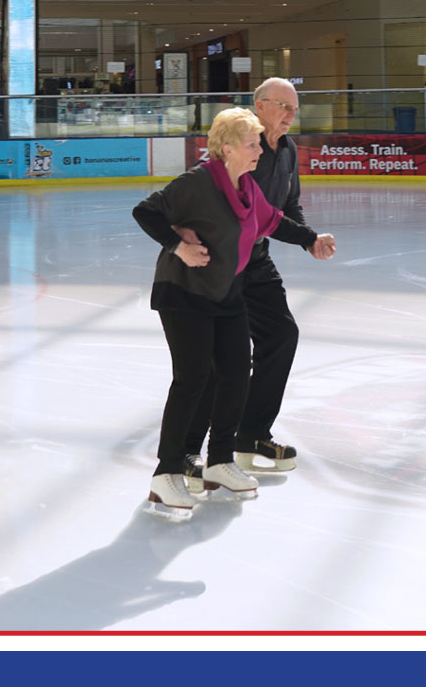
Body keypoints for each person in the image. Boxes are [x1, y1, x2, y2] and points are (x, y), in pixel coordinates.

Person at [132, 107, 329, 521]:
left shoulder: (246, 188)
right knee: (193, 379)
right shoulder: (198, 183)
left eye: (259, 142)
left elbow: (274, 222)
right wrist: (178, 244)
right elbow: (146, 211)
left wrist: (311, 239)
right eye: (252, 143)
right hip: (184, 293)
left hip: (224, 292)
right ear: (227, 148)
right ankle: (166, 473)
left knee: (236, 370)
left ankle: (219, 463)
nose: (260, 149)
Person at [179, 78, 336, 486]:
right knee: (220, 358)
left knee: (281, 335)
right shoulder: (239, 145)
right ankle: (188, 451)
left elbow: (285, 207)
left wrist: (309, 238)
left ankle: (250, 435)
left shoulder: (287, 151)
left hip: (255, 257)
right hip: (218, 261)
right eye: (284, 106)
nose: (291, 115)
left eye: (295, 109)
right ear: (260, 106)